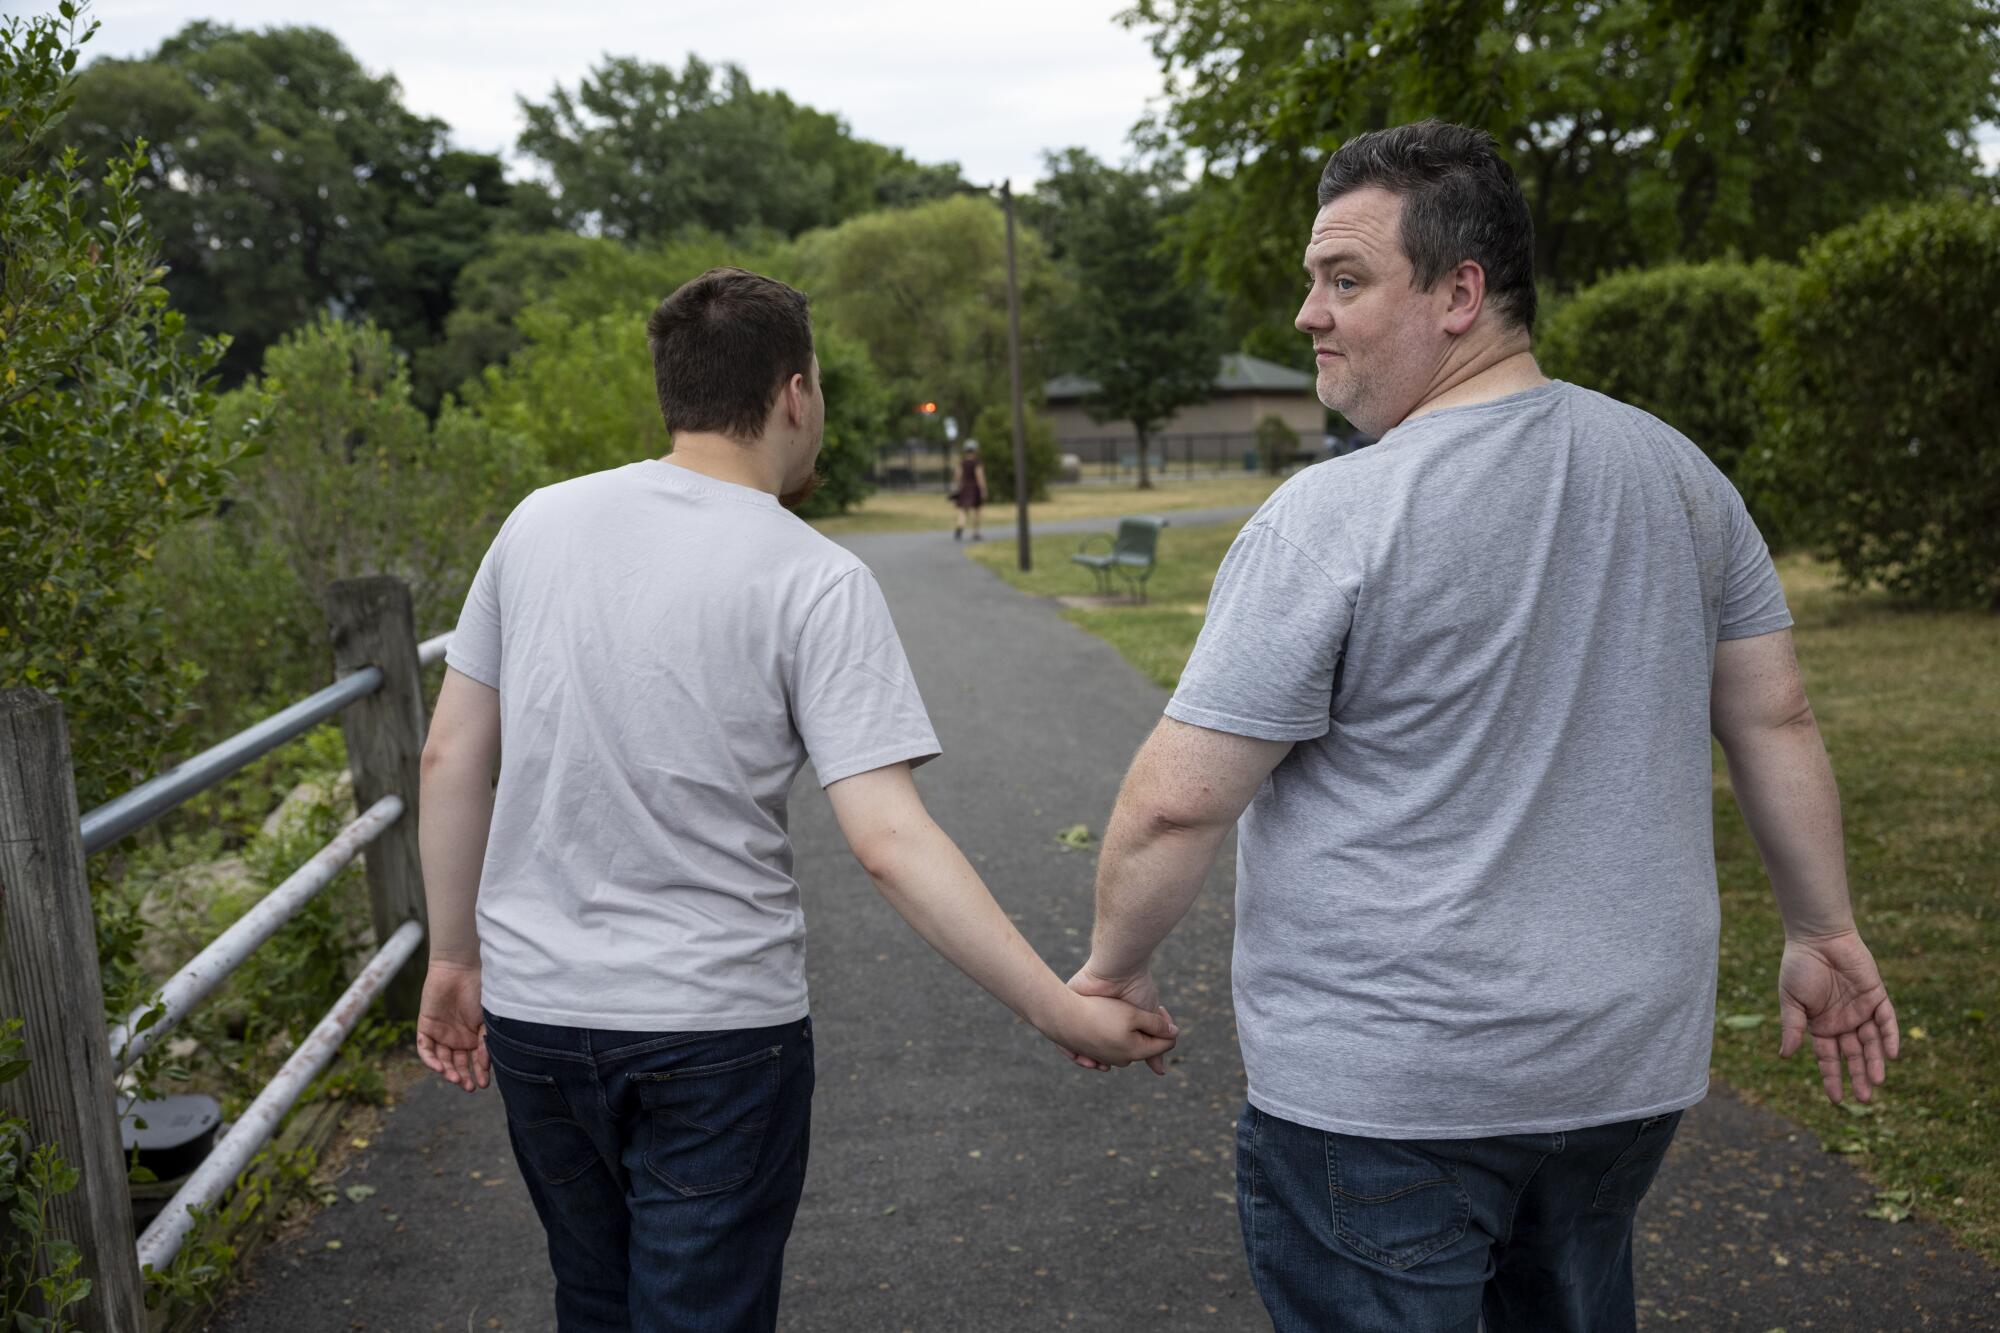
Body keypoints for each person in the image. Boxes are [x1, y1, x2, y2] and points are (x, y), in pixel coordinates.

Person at [1062, 122, 1898, 1333]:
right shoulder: (1675, 473)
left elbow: (1176, 799)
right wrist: (1820, 925)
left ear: (1460, 293)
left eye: (1344, 280)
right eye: (1312, 280)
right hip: (1619, 1078)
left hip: (1386, 1096)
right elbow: (1774, 714)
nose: (1307, 313)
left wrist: (1110, 968)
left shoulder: (1332, 518)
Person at [414, 266, 1175, 1333]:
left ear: (672, 391)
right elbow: (887, 840)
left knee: (592, 1297)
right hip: (714, 1033)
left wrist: (453, 962)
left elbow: (450, 758)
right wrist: (1057, 1006)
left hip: (539, 1016)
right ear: (794, 393)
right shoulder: (810, 576)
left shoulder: (538, 525)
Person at [951, 439, 987, 542]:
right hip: (975, 489)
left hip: (964, 488)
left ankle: (960, 526)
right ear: (975, 450)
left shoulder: (962, 462)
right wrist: (983, 490)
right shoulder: (977, 463)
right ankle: (976, 532)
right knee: (977, 510)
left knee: (963, 510)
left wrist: (958, 486)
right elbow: (980, 477)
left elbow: (957, 475)